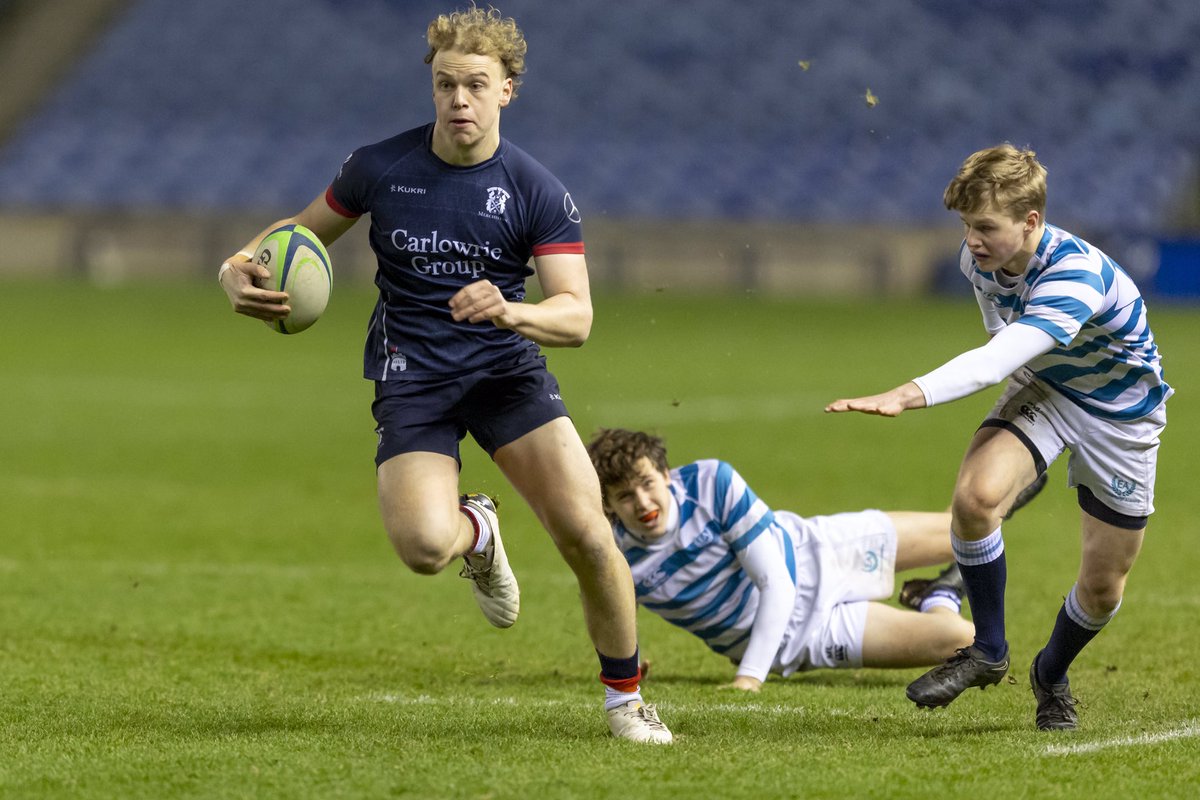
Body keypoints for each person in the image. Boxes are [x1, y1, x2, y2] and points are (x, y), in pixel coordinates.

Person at [216, 7, 671, 744]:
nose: (459, 99)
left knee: (588, 532)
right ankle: (478, 528)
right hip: (413, 375)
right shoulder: (379, 168)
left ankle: (626, 701)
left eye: (476, 85)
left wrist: (510, 312)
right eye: (445, 84)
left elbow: (576, 317)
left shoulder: (536, 191)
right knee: (426, 548)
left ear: (507, 92)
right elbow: (290, 236)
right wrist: (235, 270)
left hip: (506, 374)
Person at [826, 144, 1171, 731]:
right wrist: (1014, 462)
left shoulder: (1076, 275)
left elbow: (993, 360)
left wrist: (905, 394)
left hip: (1121, 418)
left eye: (985, 226)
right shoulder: (977, 263)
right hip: (1049, 391)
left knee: (1104, 586)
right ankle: (987, 650)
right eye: (966, 226)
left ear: (1031, 221)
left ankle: (1051, 673)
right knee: (976, 498)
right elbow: (1007, 349)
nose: (972, 240)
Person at [585, 427, 1044, 690]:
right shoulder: (613, 552)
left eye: (648, 483)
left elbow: (776, 581)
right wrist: (629, 659)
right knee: (964, 639)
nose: (642, 501)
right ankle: (940, 595)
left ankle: (1031, 458)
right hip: (802, 637)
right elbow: (613, 610)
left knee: (957, 529)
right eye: (624, 497)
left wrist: (749, 679)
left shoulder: (710, 482)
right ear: (608, 506)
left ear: (666, 474)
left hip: (820, 550)